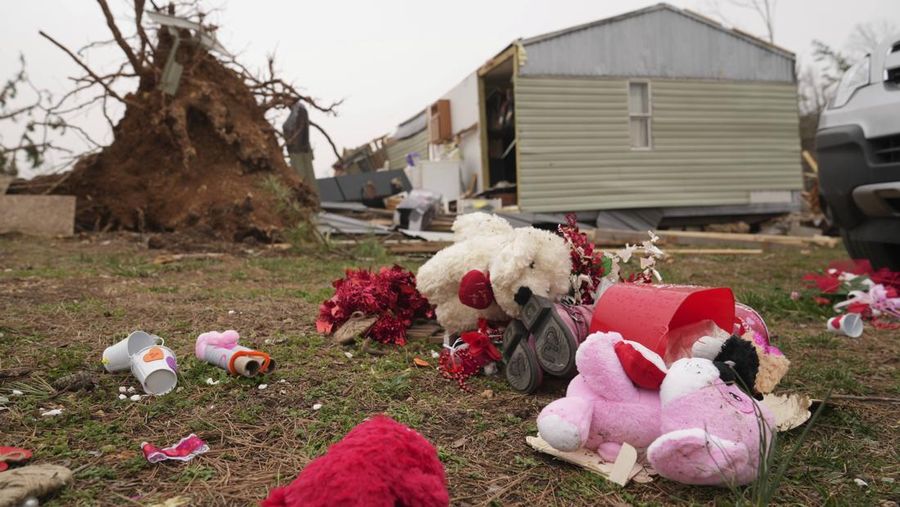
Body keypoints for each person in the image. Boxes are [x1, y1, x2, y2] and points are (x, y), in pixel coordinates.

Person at [282, 100, 318, 198]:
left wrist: (291, 140)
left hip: (299, 150)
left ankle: (312, 203)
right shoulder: (295, 112)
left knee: (304, 178)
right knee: (301, 177)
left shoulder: (300, 109)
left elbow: (301, 127)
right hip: (296, 150)